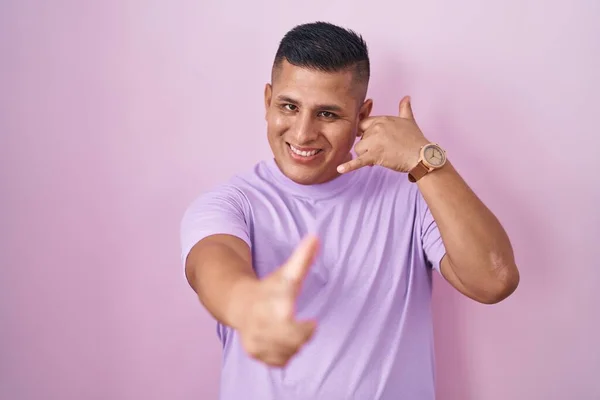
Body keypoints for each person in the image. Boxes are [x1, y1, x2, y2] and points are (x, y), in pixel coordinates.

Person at [180, 21, 520, 400]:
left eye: (327, 114)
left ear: (362, 115)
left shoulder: (412, 193)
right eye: (289, 106)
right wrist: (247, 309)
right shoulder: (230, 203)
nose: (303, 133)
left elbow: (494, 280)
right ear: (267, 102)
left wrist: (426, 160)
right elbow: (212, 266)